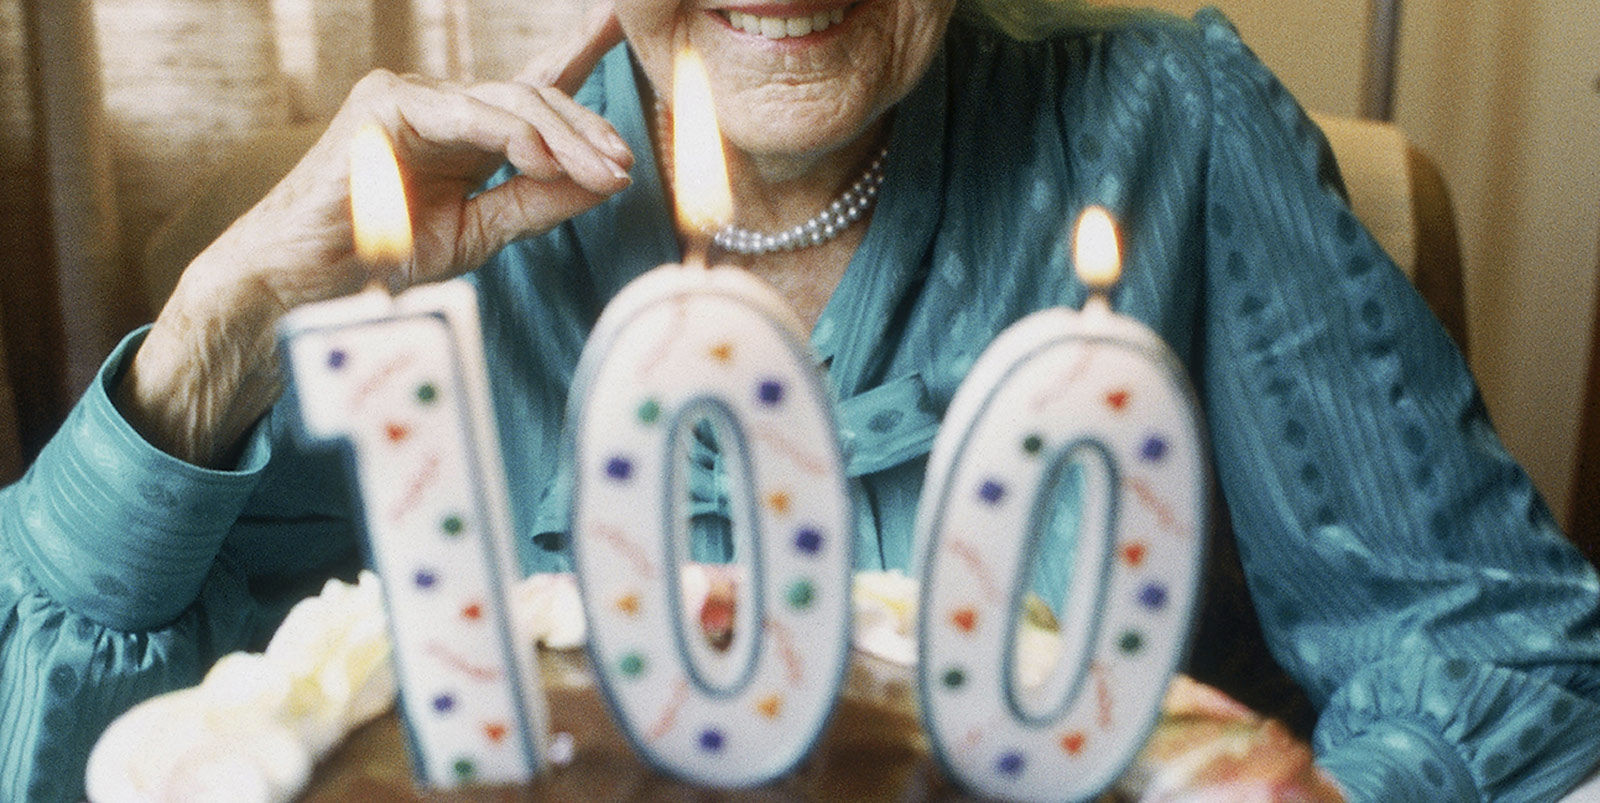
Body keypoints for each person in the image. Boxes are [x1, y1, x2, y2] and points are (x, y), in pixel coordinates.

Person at [3, 0, 1598, 799]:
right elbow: (54, 757)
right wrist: (218, 329)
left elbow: (1498, 646)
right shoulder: (417, 235)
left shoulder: (1173, 124)